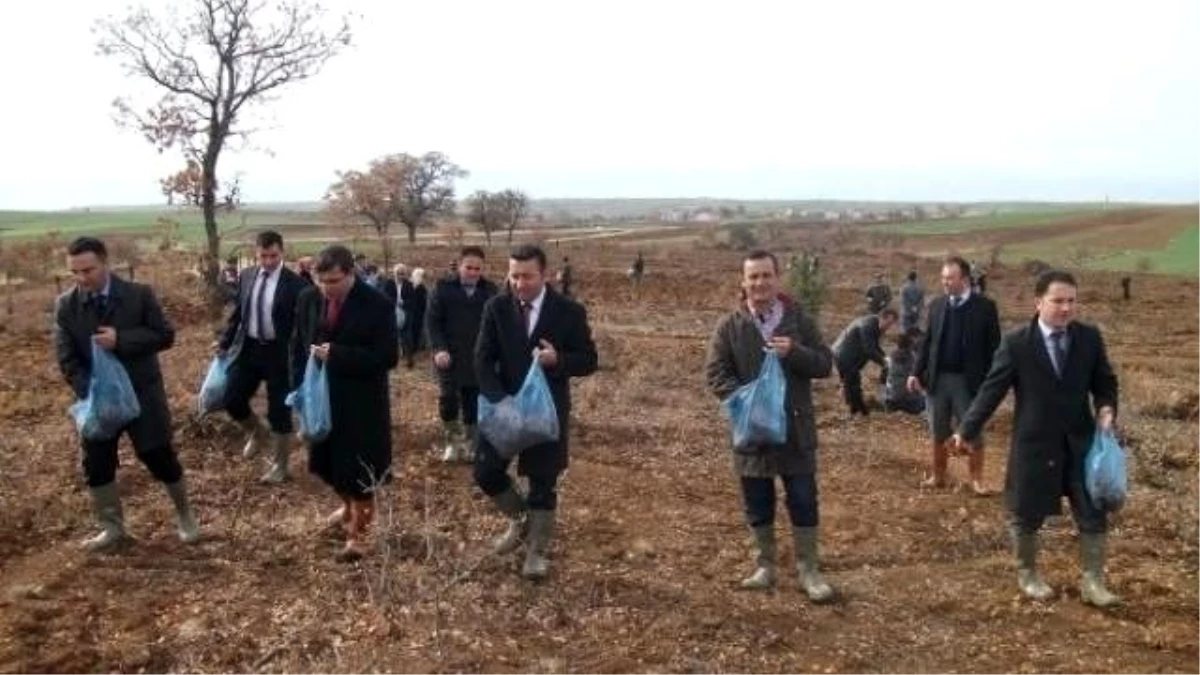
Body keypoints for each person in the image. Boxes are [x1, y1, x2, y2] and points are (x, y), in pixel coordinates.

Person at [951, 270, 1120, 606]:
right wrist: (966, 430)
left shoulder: (1088, 338)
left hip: (1081, 444)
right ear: (1038, 302)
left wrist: (1106, 408)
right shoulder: (1017, 343)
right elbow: (990, 391)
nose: (1066, 308)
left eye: (1071, 301)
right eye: (1058, 301)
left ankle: (1093, 583)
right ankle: (1028, 575)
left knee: (1092, 511)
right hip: (1034, 444)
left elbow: (1105, 382)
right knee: (1026, 514)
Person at [704, 250, 836, 602]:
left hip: (795, 430)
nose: (760, 283)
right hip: (751, 433)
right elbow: (715, 374)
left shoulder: (798, 321)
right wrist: (748, 403)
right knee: (757, 500)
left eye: (766, 275)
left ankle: (809, 569)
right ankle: (765, 565)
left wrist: (794, 351)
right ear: (743, 281)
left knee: (804, 499)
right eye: (754, 277)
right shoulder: (729, 327)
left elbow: (824, 364)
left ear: (778, 279)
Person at [54, 236, 199, 550]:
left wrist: (122, 339)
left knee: (158, 455)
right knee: (96, 463)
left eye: (88, 270)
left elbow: (164, 335)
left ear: (105, 263)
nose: (81, 278)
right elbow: (66, 356)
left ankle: (185, 515)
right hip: (97, 400)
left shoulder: (138, 295)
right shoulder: (67, 306)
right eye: (74, 273)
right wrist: (89, 391)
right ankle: (112, 529)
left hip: (141, 394)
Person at [474, 244, 598, 580]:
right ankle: (520, 519)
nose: (519, 283)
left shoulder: (569, 312)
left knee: (543, 483)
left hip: (546, 413)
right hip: (504, 409)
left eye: (527, 276)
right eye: (514, 275)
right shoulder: (496, 307)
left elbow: (589, 360)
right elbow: (482, 359)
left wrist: (558, 360)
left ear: (544, 274)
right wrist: (499, 400)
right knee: (485, 472)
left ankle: (536, 552)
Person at [291, 245, 399, 561]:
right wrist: (297, 386)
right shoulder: (309, 299)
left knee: (359, 473)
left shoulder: (376, 305)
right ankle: (348, 506)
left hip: (360, 403)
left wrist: (338, 355)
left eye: (334, 281)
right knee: (325, 464)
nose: (327, 288)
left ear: (351, 273)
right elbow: (297, 343)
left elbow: (387, 357)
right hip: (319, 397)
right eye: (321, 280)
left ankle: (359, 537)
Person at [215, 230, 307, 483]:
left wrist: (304, 358)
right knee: (231, 398)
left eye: (273, 255)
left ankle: (281, 467)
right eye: (263, 256)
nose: (268, 261)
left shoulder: (297, 285)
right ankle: (256, 432)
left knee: (279, 410)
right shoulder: (247, 277)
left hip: (280, 354)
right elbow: (239, 314)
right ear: (256, 254)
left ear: (282, 252)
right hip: (250, 348)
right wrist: (224, 341)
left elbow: (306, 326)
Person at [908, 256, 1001, 495]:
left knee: (973, 430)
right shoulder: (938, 305)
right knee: (938, 429)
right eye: (943, 278)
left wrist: (991, 382)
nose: (945, 282)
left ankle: (976, 481)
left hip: (968, 381)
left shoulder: (985, 308)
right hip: (937, 380)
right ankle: (938, 476)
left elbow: (995, 348)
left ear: (966, 279)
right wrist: (915, 373)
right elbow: (927, 343)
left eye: (950, 278)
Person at [426, 246, 500, 463]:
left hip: (477, 358)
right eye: (469, 267)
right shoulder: (442, 288)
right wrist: (439, 348)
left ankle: (471, 444)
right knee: (448, 400)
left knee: (473, 403)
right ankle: (452, 442)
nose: (473, 272)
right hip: (448, 357)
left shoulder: (490, 291)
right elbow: (432, 322)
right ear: (459, 266)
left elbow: (498, 325)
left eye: (478, 269)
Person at [832, 308, 898, 416]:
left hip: (849, 356)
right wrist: (884, 361)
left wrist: (885, 358)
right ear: (882, 318)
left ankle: (855, 410)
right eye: (889, 323)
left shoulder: (874, 325)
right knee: (853, 385)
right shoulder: (869, 325)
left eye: (892, 324)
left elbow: (875, 346)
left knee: (851, 383)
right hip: (845, 356)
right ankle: (859, 412)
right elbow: (869, 349)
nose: (889, 327)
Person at [883, 329, 925, 415]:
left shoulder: (889, 359)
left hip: (891, 401)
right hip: (910, 402)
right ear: (911, 345)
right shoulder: (915, 360)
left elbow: (883, 380)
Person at [402, 267, 428, 369]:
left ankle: (409, 349)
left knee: (411, 330)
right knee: (414, 330)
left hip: (412, 311)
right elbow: (422, 301)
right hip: (416, 312)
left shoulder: (411, 284)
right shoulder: (419, 286)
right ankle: (412, 349)